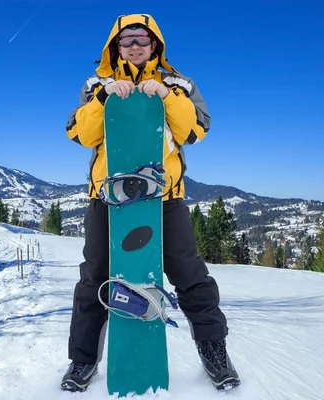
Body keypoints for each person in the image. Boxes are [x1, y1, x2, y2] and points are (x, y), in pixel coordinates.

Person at [61, 14, 240, 392]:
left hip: (164, 199)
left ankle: (214, 351)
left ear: (155, 44)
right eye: (127, 40)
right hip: (107, 199)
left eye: (144, 38)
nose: (136, 45)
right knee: (94, 278)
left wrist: (167, 96)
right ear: (116, 46)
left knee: (190, 276)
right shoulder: (97, 84)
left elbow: (195, 130)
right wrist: (105, 98)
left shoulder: (179, 83)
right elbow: (80, 133)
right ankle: (82, 361)